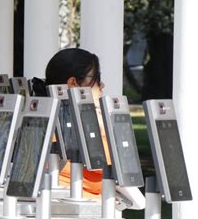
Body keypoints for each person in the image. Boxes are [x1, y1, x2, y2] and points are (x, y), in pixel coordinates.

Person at [42, 48, 145, 209]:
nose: (102, 84)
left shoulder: (48, 115)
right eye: (97, 78)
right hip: (80, 208)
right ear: (73, 83)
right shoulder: (85, 125)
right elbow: (120, 170)